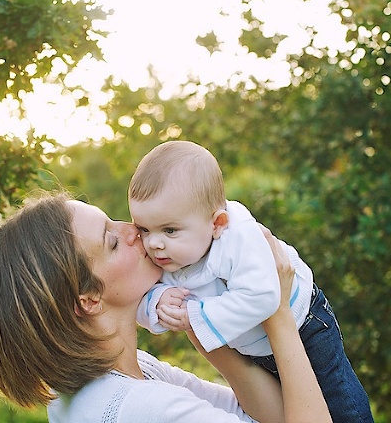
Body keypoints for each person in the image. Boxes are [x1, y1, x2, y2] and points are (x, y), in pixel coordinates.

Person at [0, 190, 332, 423]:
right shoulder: (143, 409)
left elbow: (263, 414)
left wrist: (200, 321)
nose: (134, 230)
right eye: (113, 241)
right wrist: (277, 313)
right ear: (88, 300)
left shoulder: (109, 381)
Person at [130, 141, 373, 422]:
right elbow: (137, 299)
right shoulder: (167, 253)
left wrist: (194, 315)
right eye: (143, 229)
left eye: (169, 230)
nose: (153, 243)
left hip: (304, 326)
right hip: (255, 348)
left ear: (217, 223)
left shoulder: (237, 239)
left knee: (341, 404)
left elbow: (265, 298)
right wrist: (157, 302)